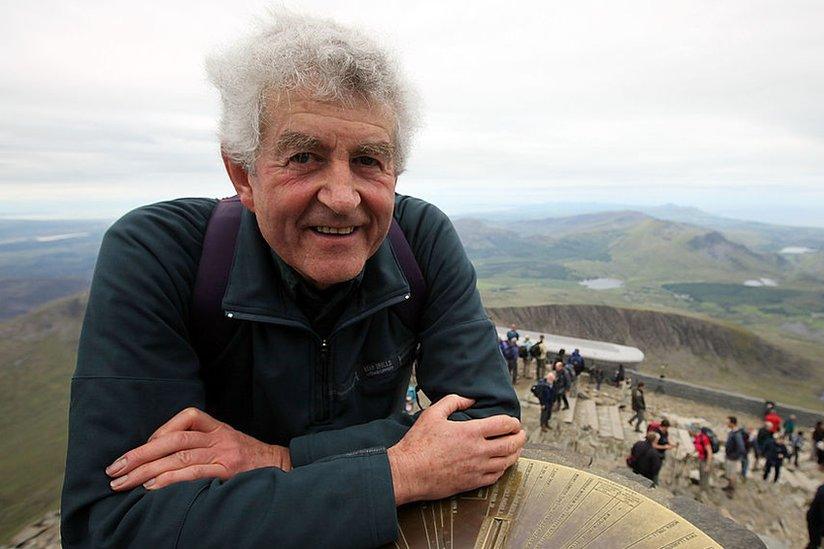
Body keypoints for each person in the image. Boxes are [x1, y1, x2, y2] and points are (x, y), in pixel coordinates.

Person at [60, 12, 524, 548]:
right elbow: (116, 527)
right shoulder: (161, 254)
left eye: (370, 160)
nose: (343, 197)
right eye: (304, 157)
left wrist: (277, 460)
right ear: (243, 175)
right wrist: (399, 471)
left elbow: (488, 427)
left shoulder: (420, 239)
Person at [723, 417, 746, 496]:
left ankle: (731, 491)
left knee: (732, 474)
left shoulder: (737, 434)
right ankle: (729, 486)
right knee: (729, 473)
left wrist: (735, 456)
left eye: (728, 422)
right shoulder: (732, 432)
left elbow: (741, 447)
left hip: (733, 458)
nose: (727, 424)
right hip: (730, 456)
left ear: (732, 423)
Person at [693, 426, 714, 492]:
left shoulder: (704, 438)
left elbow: (709, 452)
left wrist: (708, 465)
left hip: (706, 460)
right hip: (702, 459)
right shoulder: (698, 437)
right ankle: (701, 492)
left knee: (704, 478)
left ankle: (703, 494)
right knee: (702, 477)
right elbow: (698, 447)